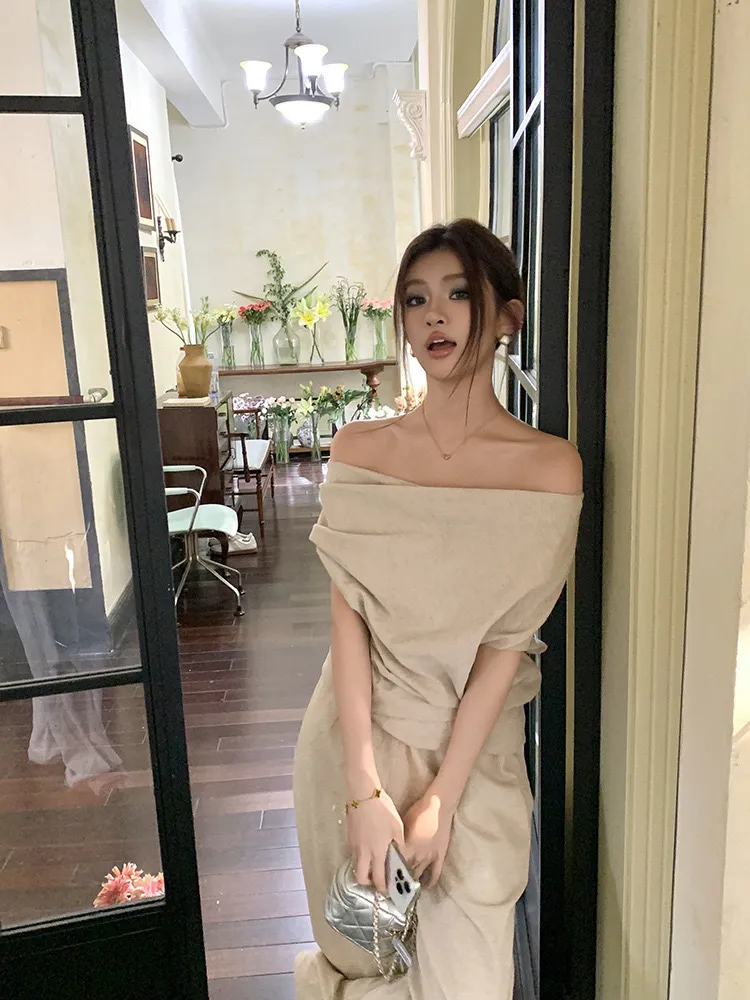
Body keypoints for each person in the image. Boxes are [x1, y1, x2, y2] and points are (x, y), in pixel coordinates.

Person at [293, 218, 583, 999]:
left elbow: (507, 643)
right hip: (359, 746)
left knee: (468, 984)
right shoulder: (360, 451)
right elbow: (348, 622)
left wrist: (443, 800)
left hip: (475, 762)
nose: (435, 315)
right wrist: (364, 792)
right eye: (416, 299)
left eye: (459, 293)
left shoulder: (548, 470)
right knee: (365, 961)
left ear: (509, 315)